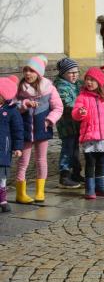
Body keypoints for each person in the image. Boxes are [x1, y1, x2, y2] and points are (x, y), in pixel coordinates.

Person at [13, 56, 62, 205]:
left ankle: (40, 191)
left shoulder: (49, 88)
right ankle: (20, 193)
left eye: (32, 70)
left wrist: (49, 120)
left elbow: (58, 108)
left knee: (41, 160)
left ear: (39, 73)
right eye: (26, 70)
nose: (28, 73)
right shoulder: (19, 89)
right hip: (24, 131)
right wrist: (24, 104)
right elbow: (12, 106)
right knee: (23, 162)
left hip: (42, 129)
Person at [71, 67, 104, 200]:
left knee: (101, 162)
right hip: (89, 136)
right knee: (90, 163)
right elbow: (75, 113)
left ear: (99, 82)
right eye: (87, 79)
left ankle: (100, 186)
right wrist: (80, 113)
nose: (89, 82)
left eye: (92, 80)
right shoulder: (82, 97)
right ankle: (90, 188)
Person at [53, 58, 83, 189]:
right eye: (71, 72)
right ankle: (64, 175)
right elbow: (67, 103)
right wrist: (81, 108)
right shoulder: (60, 86)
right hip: (66, 125)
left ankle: (76, 172)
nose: (74, 75)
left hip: (76, 124)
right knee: (67, 149)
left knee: (75, 149)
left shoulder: (77, 85)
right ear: (63, 73)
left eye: (76, 72)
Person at [0, 77, 24, 213]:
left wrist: (17, 147)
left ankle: (2, 199)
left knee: (2, 176)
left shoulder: (11, 111)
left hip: (4, 149)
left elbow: (18, 130)